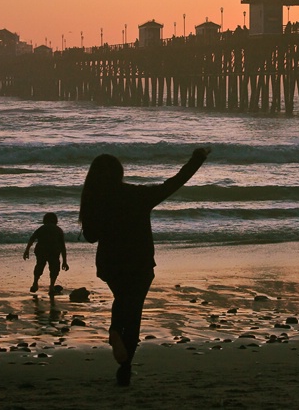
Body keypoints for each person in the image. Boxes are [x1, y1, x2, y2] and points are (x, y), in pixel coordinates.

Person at [79, 147, 210, 386]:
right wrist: (197, 159)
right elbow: (173, 184)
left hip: (111, 264)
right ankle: (123, 362)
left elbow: (90, 236)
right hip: (139, 262)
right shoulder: (137, 195)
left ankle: (117, 333)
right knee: (133, 310)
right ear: (119, 173)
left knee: (123, 299)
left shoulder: (94, 199)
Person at [23, 212, 68, 295]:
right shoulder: (58, 230)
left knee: (39, 265)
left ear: (44, 220)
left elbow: (31, 239)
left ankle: (35, 283)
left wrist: (27, 250)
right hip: (54, 251)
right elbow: (63, 247)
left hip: (41, 250)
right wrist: (65, 261)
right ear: (55, 221)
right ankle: (51, 287)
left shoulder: (42, 228)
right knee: (54, 268)